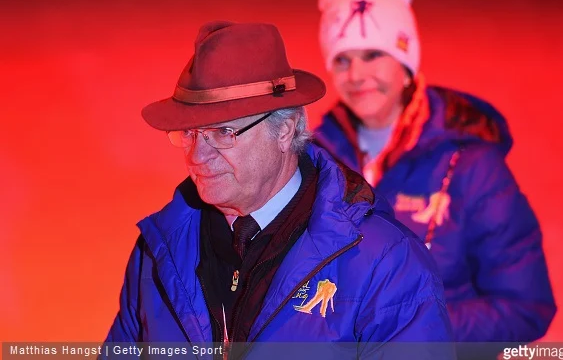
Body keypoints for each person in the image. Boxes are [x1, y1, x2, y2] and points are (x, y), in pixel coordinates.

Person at [101, 20, 455, 359]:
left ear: (285, 130)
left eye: (223, 132)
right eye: (190, 133)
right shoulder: (159, 249)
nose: (198, 155)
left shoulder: (386, 262)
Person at [314, 0, 556, 349]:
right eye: (342, 60)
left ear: (406, 61)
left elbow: (525, 306)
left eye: (373, 54)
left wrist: (412, 332)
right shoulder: (316, 161)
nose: (356, 75)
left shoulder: (471, 165)